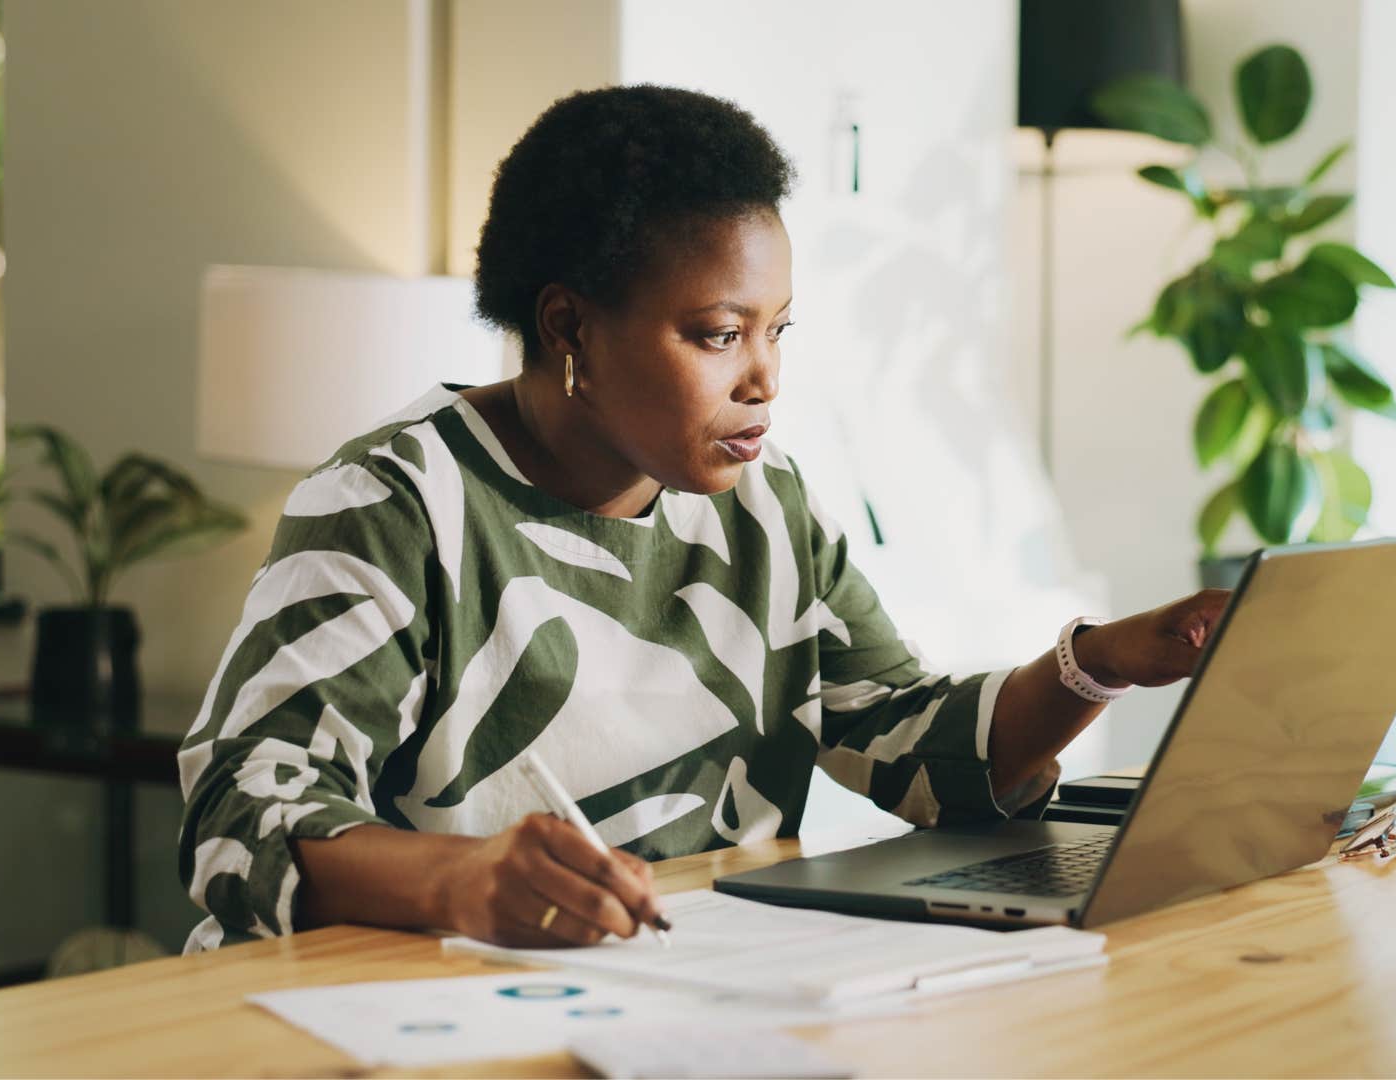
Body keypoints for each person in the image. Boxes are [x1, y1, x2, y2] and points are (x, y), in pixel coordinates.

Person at [176, 84, 1228, 953]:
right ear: (568, 326)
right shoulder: (395, 504)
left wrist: (1102, 661)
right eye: (720, 334)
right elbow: (240, 817)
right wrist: (459, 881)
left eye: (778, 330)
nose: (765, 379)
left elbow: (910, 750)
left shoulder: (767, 513)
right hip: (407, 1022)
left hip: (683, 1005)